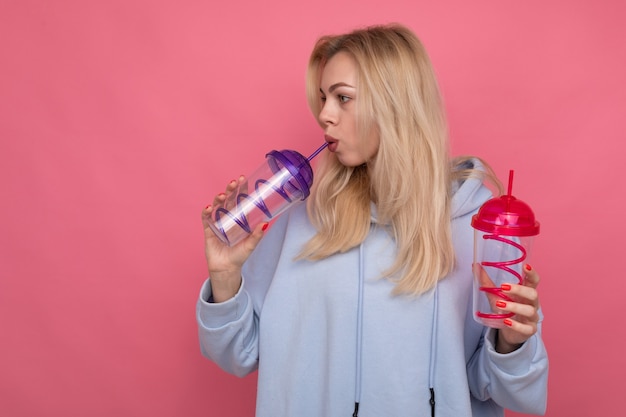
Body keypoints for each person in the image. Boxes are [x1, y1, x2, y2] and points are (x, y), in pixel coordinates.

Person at [197, 23, 548, 417]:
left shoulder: (481, 226)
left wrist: (511, 342)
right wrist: (225, 277)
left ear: (395, 104)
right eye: (323, 97)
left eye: (343, 98)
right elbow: (238, 354)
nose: (325, 115)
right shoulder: (303, 215)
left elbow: (501, 389)